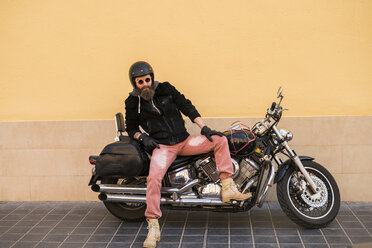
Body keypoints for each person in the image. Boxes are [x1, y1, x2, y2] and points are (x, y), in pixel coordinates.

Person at [125, 61, 252, 248]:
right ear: (134, 83)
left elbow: (187, 106)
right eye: (140, 82)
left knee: (220, 139)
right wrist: (143, 137)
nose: (145, 84)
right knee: (153, 179)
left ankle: (227, 187)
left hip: (185, 141)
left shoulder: (166, 89)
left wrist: (204, 127)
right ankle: (153, 226)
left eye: (147, 80)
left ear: (152, 77)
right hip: (163, 147)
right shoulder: (132, 102)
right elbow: (131, 128)